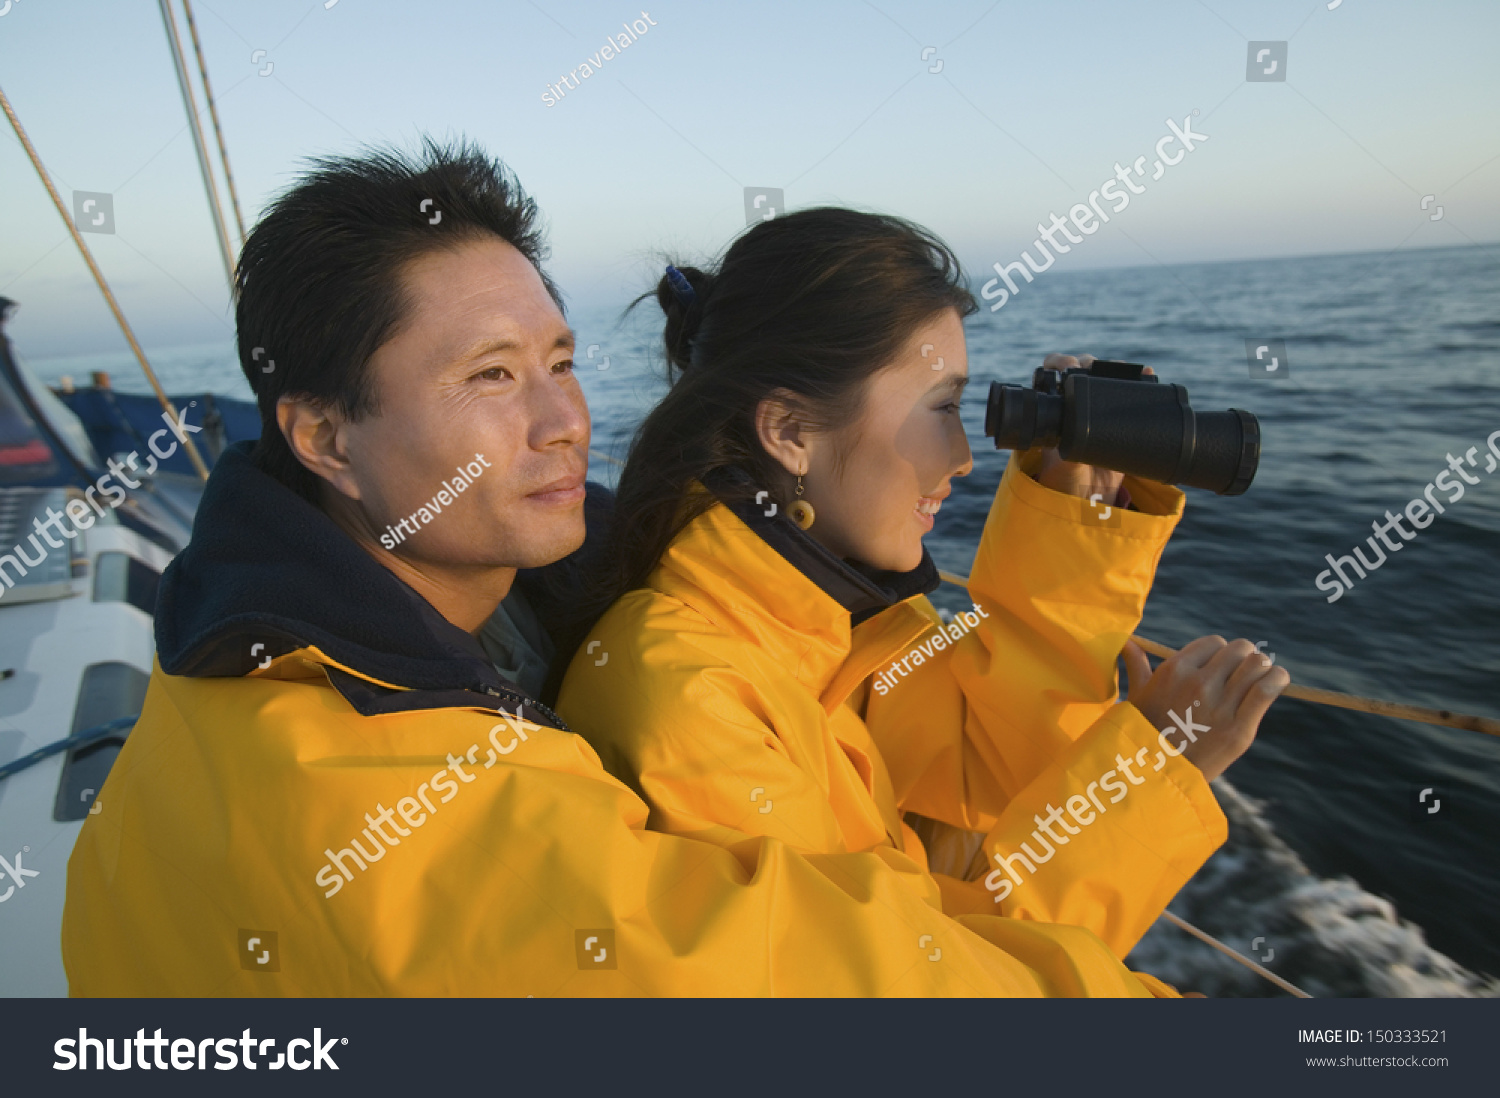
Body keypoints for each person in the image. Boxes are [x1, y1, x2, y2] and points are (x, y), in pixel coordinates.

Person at [63, 141, 1186, 997]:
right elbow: (824, 985)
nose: (564, 419)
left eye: (559, 359)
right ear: (324, 439)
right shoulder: (387, 795)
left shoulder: (301, 641)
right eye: (491, 377)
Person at [555, 207, 1291, 966]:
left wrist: (1074, 510)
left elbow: (993, 767)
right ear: (790, 432)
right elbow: (940, 980)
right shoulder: (686, 701)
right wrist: (1155, 765)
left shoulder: (819, 630)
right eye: (942, 407)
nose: (967, 457)